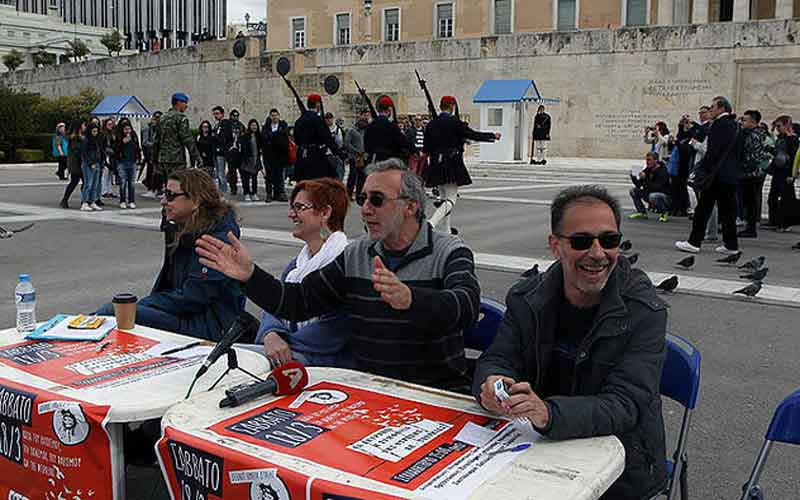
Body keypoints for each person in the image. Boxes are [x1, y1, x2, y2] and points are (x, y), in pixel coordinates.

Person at [196, 159, 480, 392]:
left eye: (377, 200)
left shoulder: (449, 251)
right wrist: (250, 276)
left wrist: (411, 299)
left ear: (411, 206)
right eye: (363, 198)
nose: (366, 209)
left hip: (435, 392)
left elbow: (465, 306)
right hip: (369, 388)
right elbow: (301, 301)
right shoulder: (356, 254)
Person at [473, 185, 668, 500]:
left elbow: (625, 405)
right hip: (536, 452)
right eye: (581, 241)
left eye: (609, 240)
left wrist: (548, 414)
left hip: (619, 470)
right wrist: (492, 383)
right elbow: (497, 358)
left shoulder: (644, 310)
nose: (597, 253)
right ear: (555, 246)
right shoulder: (527, 298)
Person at [96, 169, 245, 340]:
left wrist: (144, 305)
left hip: (209, 325)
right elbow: (169, 284)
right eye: (164, 193)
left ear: (195, 200)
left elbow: (194, 297)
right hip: (185, 313)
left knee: (114, 313)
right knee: (113, 313)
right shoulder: (182, 226)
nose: (163, 201)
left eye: (170, 195)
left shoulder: (216, 239)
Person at [256, 178, 353, 368]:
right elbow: (275, 304)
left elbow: (335, 329)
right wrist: (271, 335)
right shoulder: (297, 264)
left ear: (325, 213)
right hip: (295, 353)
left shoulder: (346, 264)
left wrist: (283, 342)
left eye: (299, 207)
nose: (291, 214)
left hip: (329, 363)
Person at [423, 95, 500, 235]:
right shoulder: (455, 122)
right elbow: (472, 134)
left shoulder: (431, 124)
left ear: (441, 106)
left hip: (435, 163)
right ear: (452, 106)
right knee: (451, 199)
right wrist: (492, 136)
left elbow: (426, 148)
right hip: (451, 163)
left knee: (444, 198)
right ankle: (431, 224)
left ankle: (446, 229)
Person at [676, 96, 741, 255]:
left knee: (703, 209)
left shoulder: (719, 124)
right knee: (727, 212)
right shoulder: (735, 125)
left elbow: (713, 152)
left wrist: (703, 169)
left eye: (713, 107)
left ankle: (694, 242)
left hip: (716, 176)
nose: (711, 110)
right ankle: (731, 245)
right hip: (730, 175)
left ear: (721, 108)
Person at [293, 94, 344, 181]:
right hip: (315, 155)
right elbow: (327, 139)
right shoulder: (318, 120)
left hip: (301, 156)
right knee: (329, 180)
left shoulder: (299, 120)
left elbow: (296, 139)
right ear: (317, 104)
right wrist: (340, 153)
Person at [737, 110, 772, 238]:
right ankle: (749, 226)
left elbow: (753, 156)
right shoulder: (758, 133)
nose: (742, 122)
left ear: (753, 121)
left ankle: (750, 228)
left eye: (745, 120)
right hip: (753, 172)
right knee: (749, 200)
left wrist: (743, 166)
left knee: (750, 201)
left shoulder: (754, 135)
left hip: (751, 173)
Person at [154, 93, 201, 179]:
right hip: (177, 159)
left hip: (164, 159)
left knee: (168, 184)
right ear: (179, 103)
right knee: (178, 185)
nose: (186, 106)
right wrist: (197, 157)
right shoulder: (181, 118)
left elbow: (156, 140)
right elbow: (187, 139)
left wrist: (155, 160)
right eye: (185, 103)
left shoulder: (162, 118)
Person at [764, 115, 798, 232]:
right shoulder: (780, 138)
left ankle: (784, 223)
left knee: (786, 199)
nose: (777, 128)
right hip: (778, 171)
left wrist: (791, 175)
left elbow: (793, 157)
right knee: (772, 197)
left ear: (786, 126)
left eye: (779, 126)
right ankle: (774, 221)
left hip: (786, 172)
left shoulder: (792, 139)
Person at [363, 96, 411, 164]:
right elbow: (403, 143)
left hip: (375, 162)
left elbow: (366, 147)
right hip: (390, 162)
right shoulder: (393, 127)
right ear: (389, 110)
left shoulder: (370, 127)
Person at [628, 152, 671, 222]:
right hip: (650, 193)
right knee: (633, 191)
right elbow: (639, 185)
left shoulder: (663, 171)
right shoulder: (648, 169)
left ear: (656, 160)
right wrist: (633, 177)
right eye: (646, 160)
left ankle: (664, 213)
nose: (647, 162)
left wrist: (645, 178)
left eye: (649, 160)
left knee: (653, 196)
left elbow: (657, 187)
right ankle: (642, 213)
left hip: (664, 196)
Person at [261, 108, 290, 203]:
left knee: (279, 176)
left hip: (280, 155)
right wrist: (276, 136)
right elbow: (265, 138)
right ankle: (269, 194)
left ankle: (279, 193)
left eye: (276, 115)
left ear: (279, 116)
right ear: (270, 116)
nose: (274, 117)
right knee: (269, 176)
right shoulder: (266, 127)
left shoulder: (283, 125)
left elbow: (284, 137)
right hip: (269, 156)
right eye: (272, 115)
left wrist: (273, 136)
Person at [114, 122, 141, 209]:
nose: (127, 131)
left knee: (132, 183)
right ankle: (122, 200)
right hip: (122, 162)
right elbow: (115, 150)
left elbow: (137, 148)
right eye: (125, 129)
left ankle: (131, 200)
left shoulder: (134, 136)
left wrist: (138, 161)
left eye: (129, 129)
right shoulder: (119, 137)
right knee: (123, 182)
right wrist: (122, 142)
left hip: (132, 162)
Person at [59, 120, 85, 209]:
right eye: (83, 125)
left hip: (81, 162)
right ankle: (65, 200)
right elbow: (76, 149)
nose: (84, 127)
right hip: (75, 163)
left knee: (84, 182)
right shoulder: (73, 138)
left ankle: (84, 200)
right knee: (75, 181)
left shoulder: (82, 137)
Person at [344, 110, 369, 200]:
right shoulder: (352, 130)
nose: (366, 118)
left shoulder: (367, 130)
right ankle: (348, 194)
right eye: (365, 116)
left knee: (362, 176)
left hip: (364, 157)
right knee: (353, 175)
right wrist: (356, 151)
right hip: (354, 157)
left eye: (367, 116)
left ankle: (359, 194)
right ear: (360, 116)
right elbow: (347, 143)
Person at [80, 123, 104, 212]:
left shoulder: (97, 140)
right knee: (88, 184)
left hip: (97, 163)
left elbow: (100, 152)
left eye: (96, 131)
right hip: (88, 164)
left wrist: (101, 162)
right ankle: (84, 202)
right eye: (93, 131)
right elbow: (84, 154)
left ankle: (92, 201)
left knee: (95, 184)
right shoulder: (86, 140)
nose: (95, 133)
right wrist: (91, 163)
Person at [240, 119, 264, 202]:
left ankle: (254, 193)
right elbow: (242, 149)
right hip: (247, 159)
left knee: (254, 178)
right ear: (249, 126)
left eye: (255, 125)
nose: (254, 127)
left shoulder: (259, 136)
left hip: (256, 159)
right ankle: (246, 193)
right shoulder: (245, 136)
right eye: (252, 125)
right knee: (246, 178)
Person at [140, 111, 163, 198]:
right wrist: (154, 144)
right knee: (151, 172)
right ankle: (151, 189)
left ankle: (159, 189)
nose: (157, 120)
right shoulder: (148, 129)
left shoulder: (161, 129)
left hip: (159, 154)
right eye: (156, 118)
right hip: (150, 154)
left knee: (159, 173)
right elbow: (145, 142)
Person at [211, 105, 233, 193]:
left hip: (221, 152)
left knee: (221, 173)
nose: (216, 116)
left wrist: (223, 147)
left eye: (217, 114)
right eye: (214, 114)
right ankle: (221, 189)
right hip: (215, 151)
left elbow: (226, 138)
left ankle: (223, 191)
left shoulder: (225, 124)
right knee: (218, 172)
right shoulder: (217, 125)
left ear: (222, 114)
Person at [227, 109, 245, 195]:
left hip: (239, 151)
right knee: (232, 171)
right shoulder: (227, 125)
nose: (235, 117)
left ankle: (244, 187)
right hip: (231, 151)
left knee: (242, 170)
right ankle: (233, 188)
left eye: (237, 115)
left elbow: (244, 135)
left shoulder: (241, 125)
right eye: (234, 115)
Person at [100, 118, 117, 202]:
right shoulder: (104, 134)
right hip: (106, 155)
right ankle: (104, 191)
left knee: (110, 175)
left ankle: (109, 191)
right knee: (105, 174)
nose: (111, 126)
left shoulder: (112, 134)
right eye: (109, 124)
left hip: (111, 156)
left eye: (112, 124)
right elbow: (102, 146)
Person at [324, 112, 346, 180]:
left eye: (329, 118)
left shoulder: (337, 129)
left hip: (335, 155)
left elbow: (341, 142)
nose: (328, 120)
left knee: (338, 174)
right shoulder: (323, 129)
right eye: (327, 119)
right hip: (326, 154)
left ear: (332, 119)